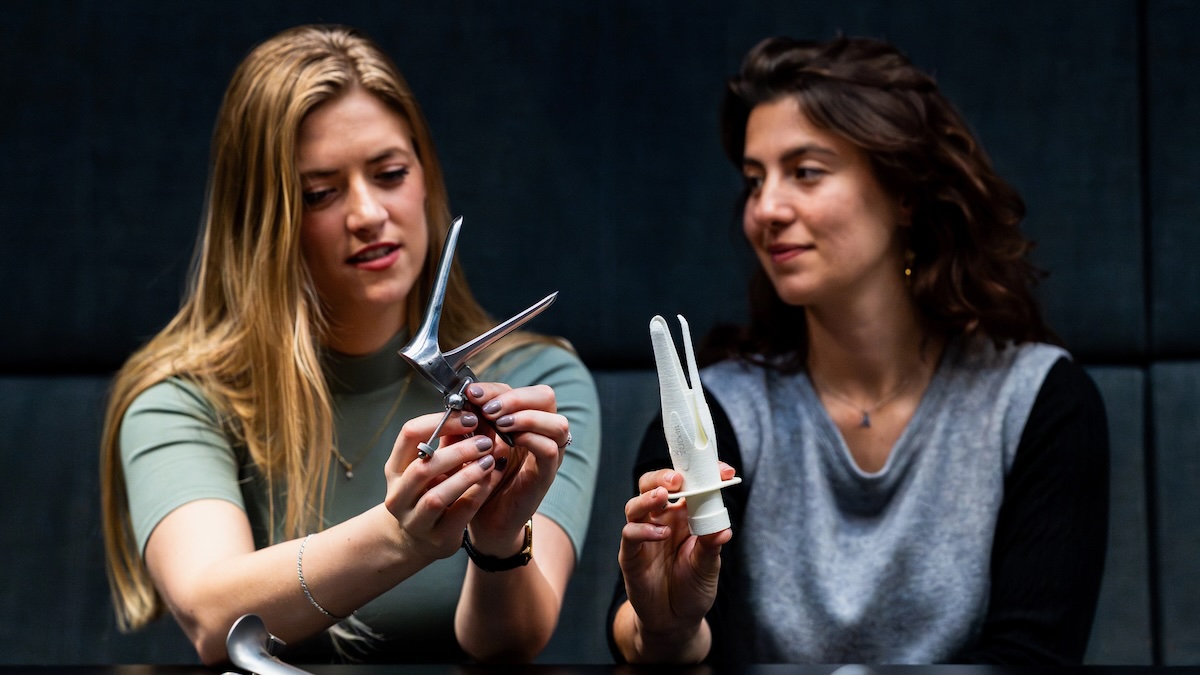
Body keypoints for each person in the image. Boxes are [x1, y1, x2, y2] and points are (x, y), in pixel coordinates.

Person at [99, 24, 600, 666]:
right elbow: (213, 616)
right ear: (261, 219)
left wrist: (500, 544)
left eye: (390, 173)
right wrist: (399, 536)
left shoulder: (537, 386)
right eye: (320, 193)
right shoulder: (182, 400)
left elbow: (512, 644)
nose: (367, 214)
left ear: (425, 178)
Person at [609, 35, 1108, 665]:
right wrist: (668, 629)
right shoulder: (715, 408)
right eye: (755, 180)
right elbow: (657, 633)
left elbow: (1033, 659)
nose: (766, 209)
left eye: (805, 172)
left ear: (904, 194)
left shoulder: (1037, 400)